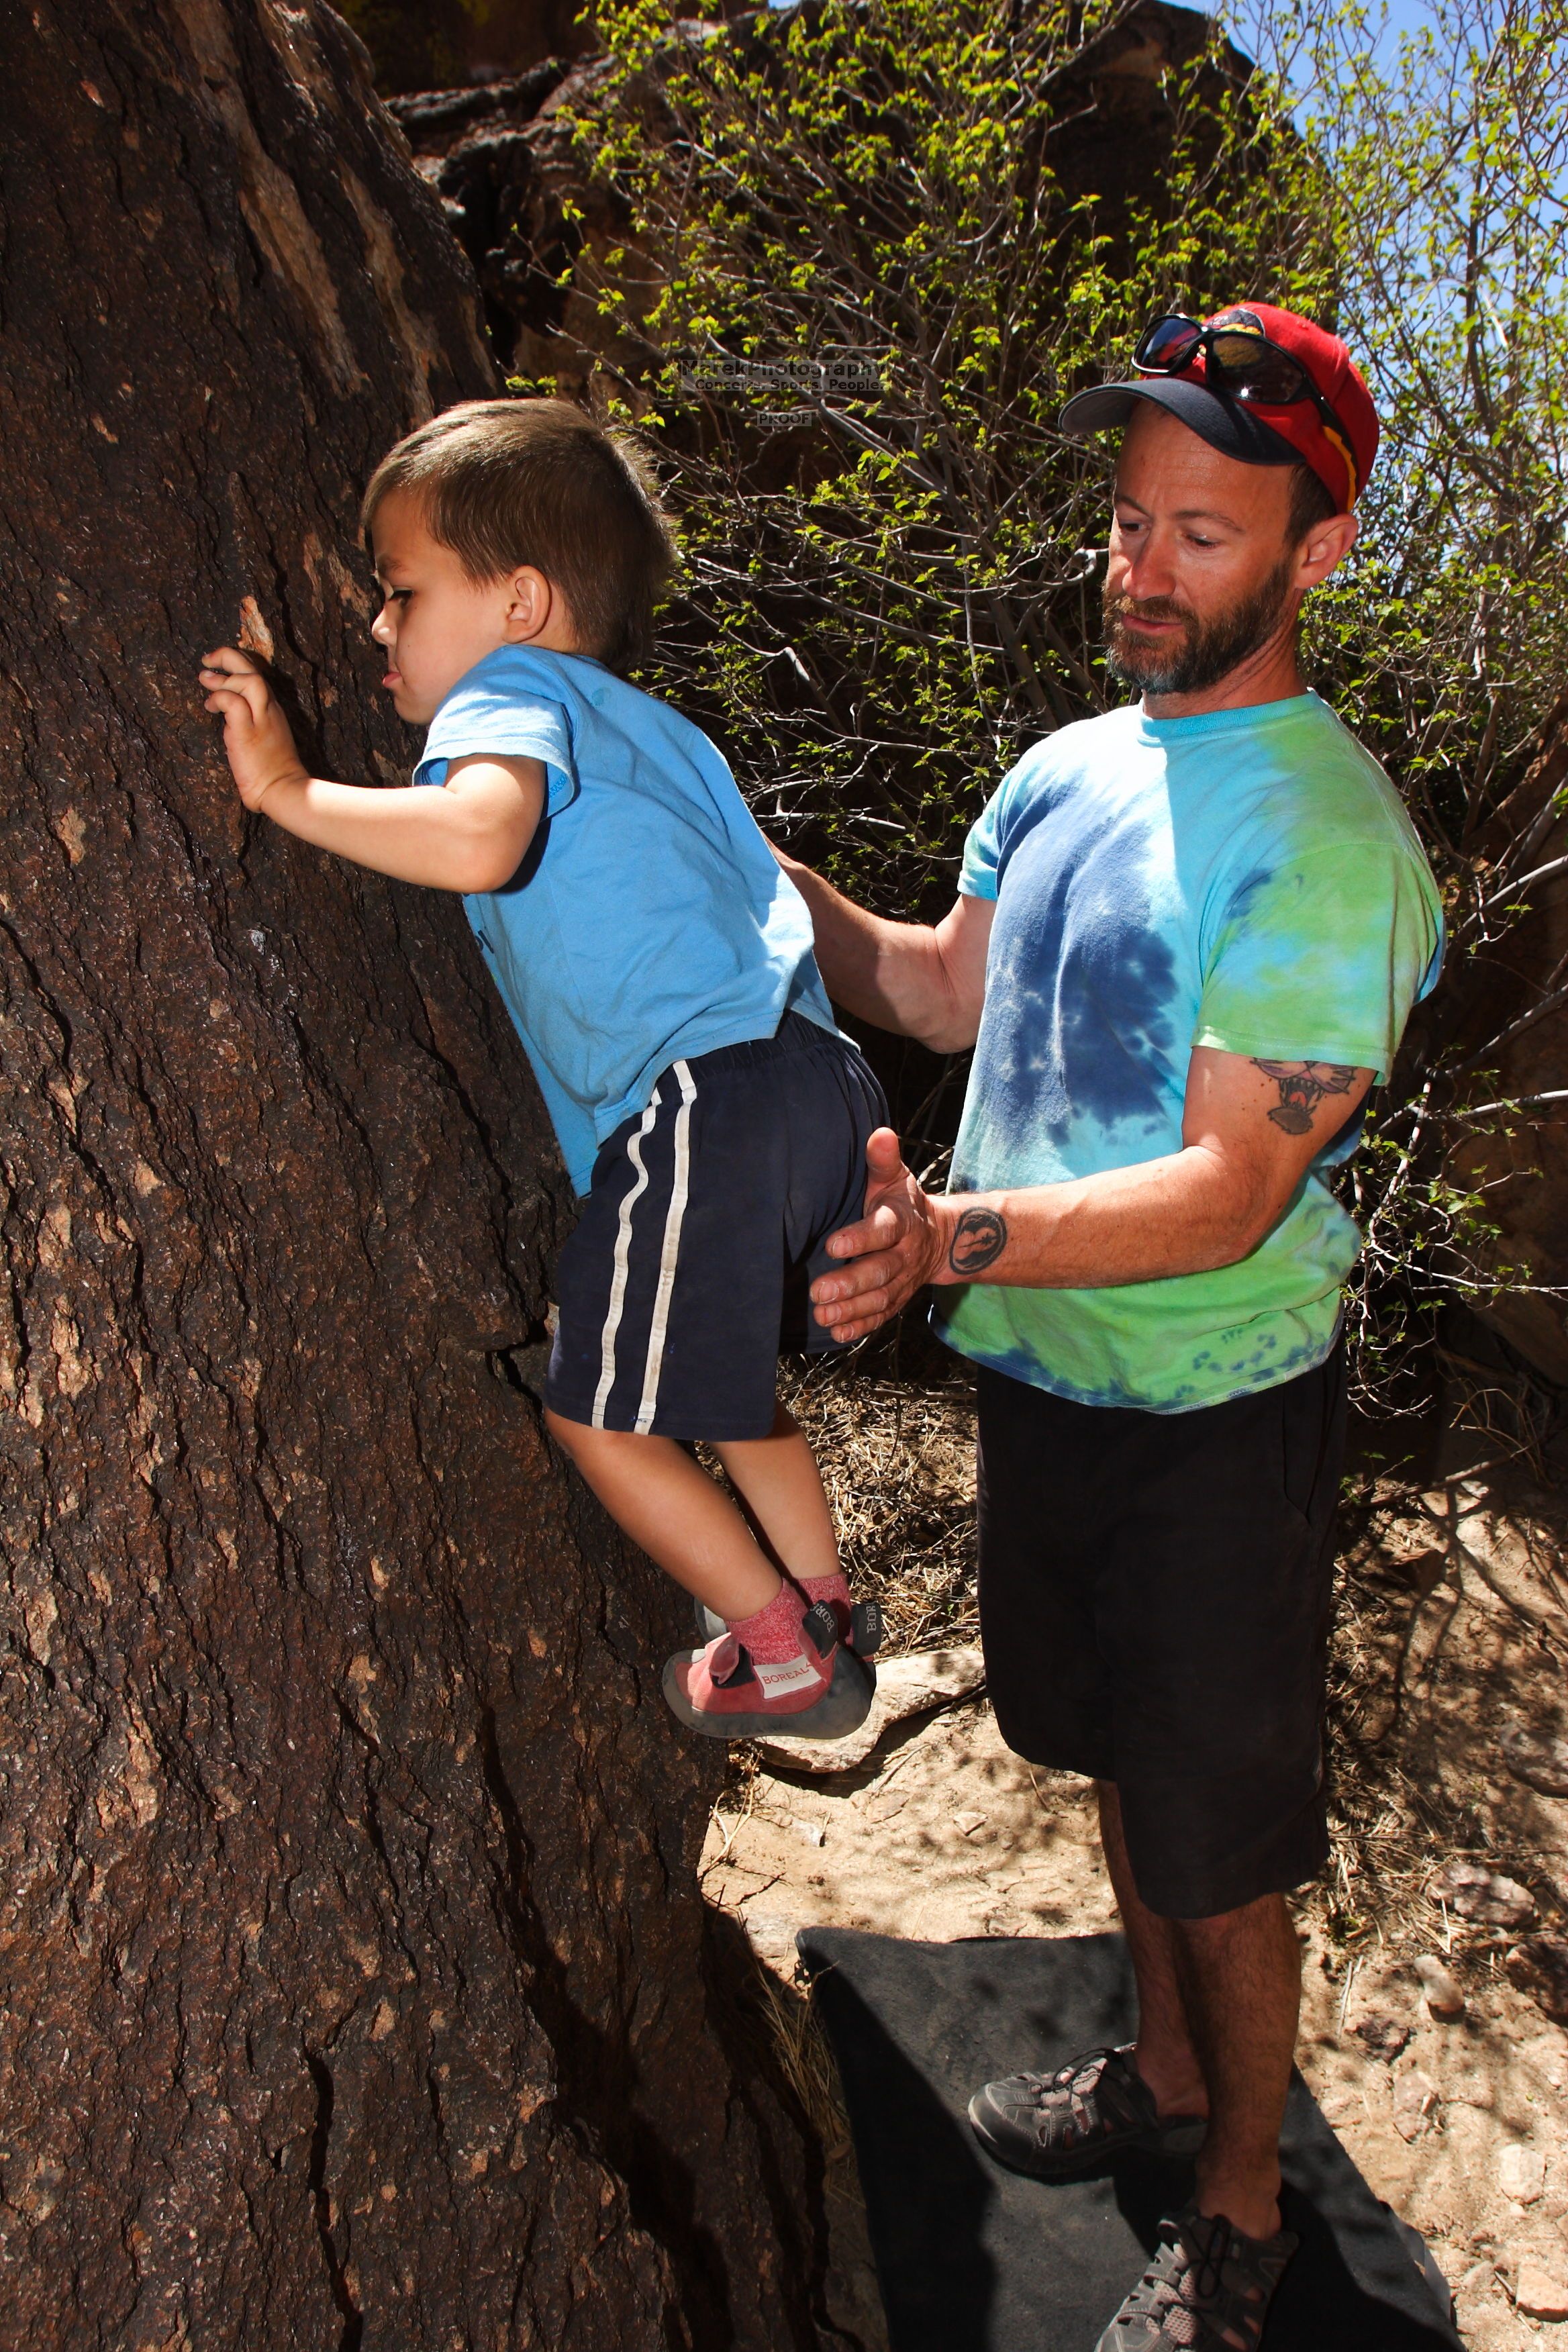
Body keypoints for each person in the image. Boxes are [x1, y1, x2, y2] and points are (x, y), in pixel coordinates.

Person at [787, 305, 1443, 2348]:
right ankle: (1159, 2076)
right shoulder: (1070, 766)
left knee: (1218, 1846)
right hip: (1048, 1390)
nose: (1139, 570)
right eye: (1127, 522)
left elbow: (1231, 1189)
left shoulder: (1328, 839)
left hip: (1215, 1423)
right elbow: (936, 990)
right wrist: (734, 859)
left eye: (1202, 537)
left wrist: (949, 1238)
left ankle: (1241, 2209)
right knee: (1099, 1764)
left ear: (1315, 554)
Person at [197, 397, 883, 1740]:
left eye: (402, 592)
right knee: (717, 1387)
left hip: (704, 1091)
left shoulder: (513, 692)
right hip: (808, 1079)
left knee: (597, 1410)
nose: (380, 629)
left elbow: (476, 841)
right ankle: (824, 1605)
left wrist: (285, 790)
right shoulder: (663, 735)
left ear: (518, 601)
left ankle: (780, 1650)